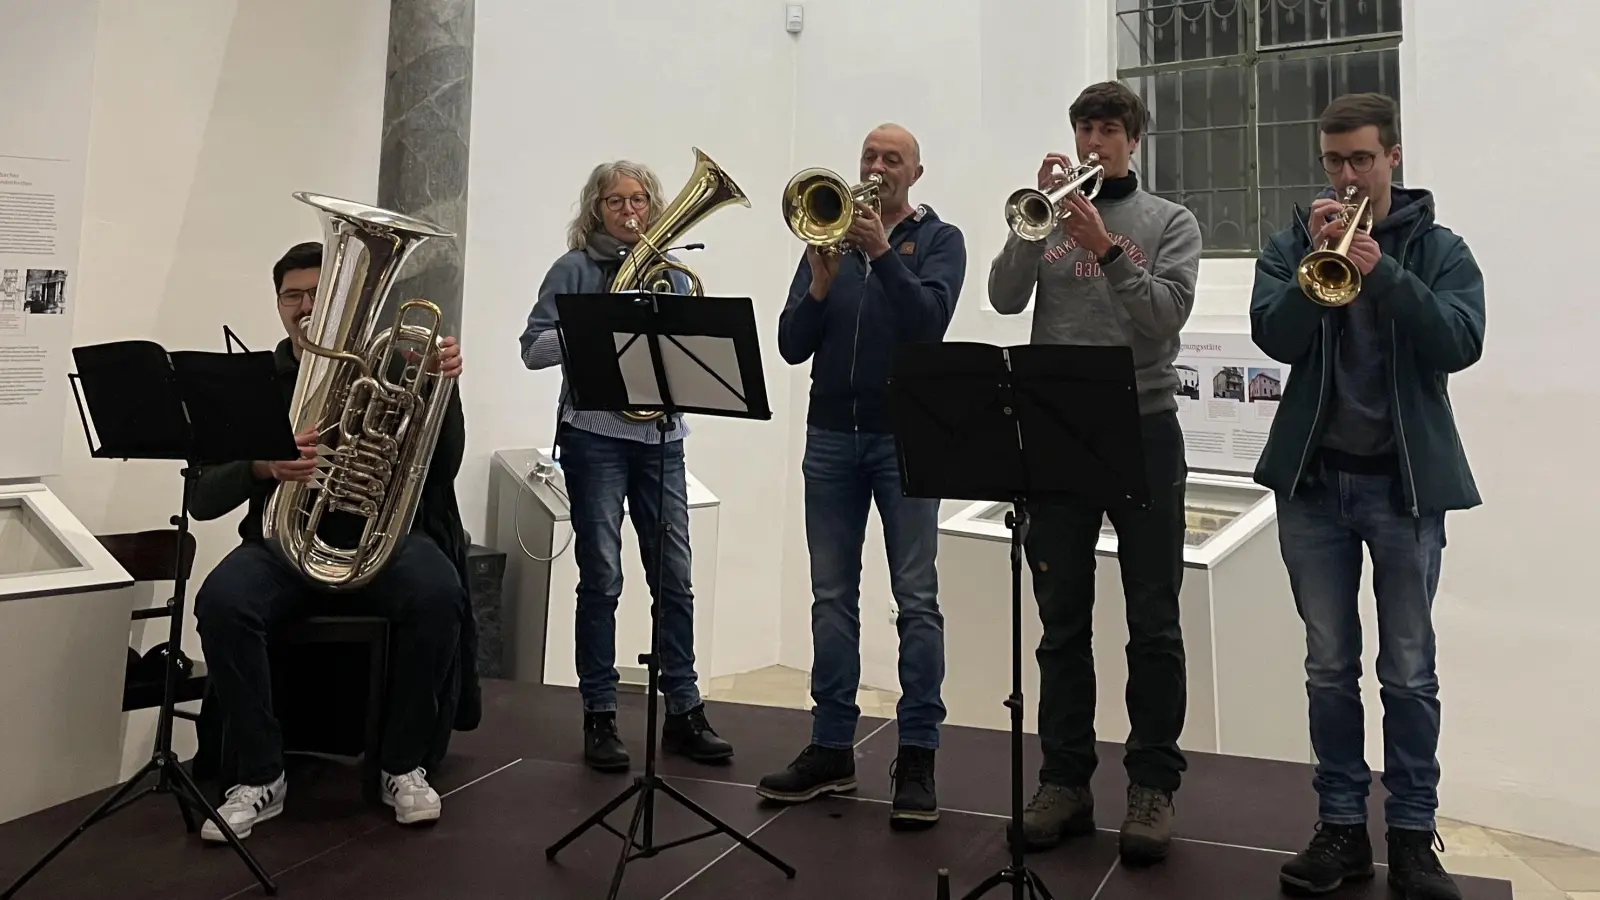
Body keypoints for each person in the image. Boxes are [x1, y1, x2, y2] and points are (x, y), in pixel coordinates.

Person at [1250, 92, 1484, 900]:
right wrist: (1320, 272)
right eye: (1333, 162)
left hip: (1404, 491)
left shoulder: (1441, 249)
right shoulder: (1293, 243)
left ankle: (1414, 838)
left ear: (1393, 159)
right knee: (1327, 668)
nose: (1346, 177)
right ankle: (1342, 830)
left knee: (1410, 673)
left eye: (1360, 159)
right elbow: (1272, 336)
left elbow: (1460, 342)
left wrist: (1384, 277)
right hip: (1316, 489)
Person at [191, 240, 479, 841]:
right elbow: (203, 497)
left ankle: (404, 765)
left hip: (381, 541)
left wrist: (444, 392)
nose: (304, 306)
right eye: (292, 295)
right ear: (277, 305)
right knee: (222, 602)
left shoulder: (393, 369)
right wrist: (262, 467)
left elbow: (441, 468)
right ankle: (259, 776)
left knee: (438, 593)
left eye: (319, 295)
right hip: (282, 545)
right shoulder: (253, 382)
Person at [987, 80, 1201, 866]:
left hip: (1144, 426)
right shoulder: (1046, 217)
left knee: (1153, 621)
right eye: (1085, 130)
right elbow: (1004, 299)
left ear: (1132, 141)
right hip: (1056, 429)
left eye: (1108, 131)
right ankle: (1064, 781)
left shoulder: (1168, 221)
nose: (1094, 144)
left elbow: (1163, 317)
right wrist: (1029, 225)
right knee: (1060, 622)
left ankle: (1152, 786)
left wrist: (1104, 246)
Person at [759, 123, 966, 831]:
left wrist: (882, 254)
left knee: (915, 599)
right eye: (870, 157)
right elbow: (790, 346)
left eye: (892, 160)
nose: (877, 168)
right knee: (830, 598)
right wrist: (817, 288)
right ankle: (830, 747)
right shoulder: (829, 233)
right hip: (829, 436)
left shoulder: (940, 241)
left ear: (916, 171)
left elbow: (928, 323)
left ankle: (917, 754)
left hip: (905, 436)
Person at [519, 159, 733, 773]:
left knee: (675, 577)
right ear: (596, 209)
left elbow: (696, 353)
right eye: (617, 202)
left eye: (641, 200)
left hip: (660, 437)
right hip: (594, 437)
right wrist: (589, 331)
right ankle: (600, 715)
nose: (631, 211)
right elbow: (532, 348)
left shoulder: (671, 271)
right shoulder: (575, 269)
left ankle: (685, 709)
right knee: (603, 577)